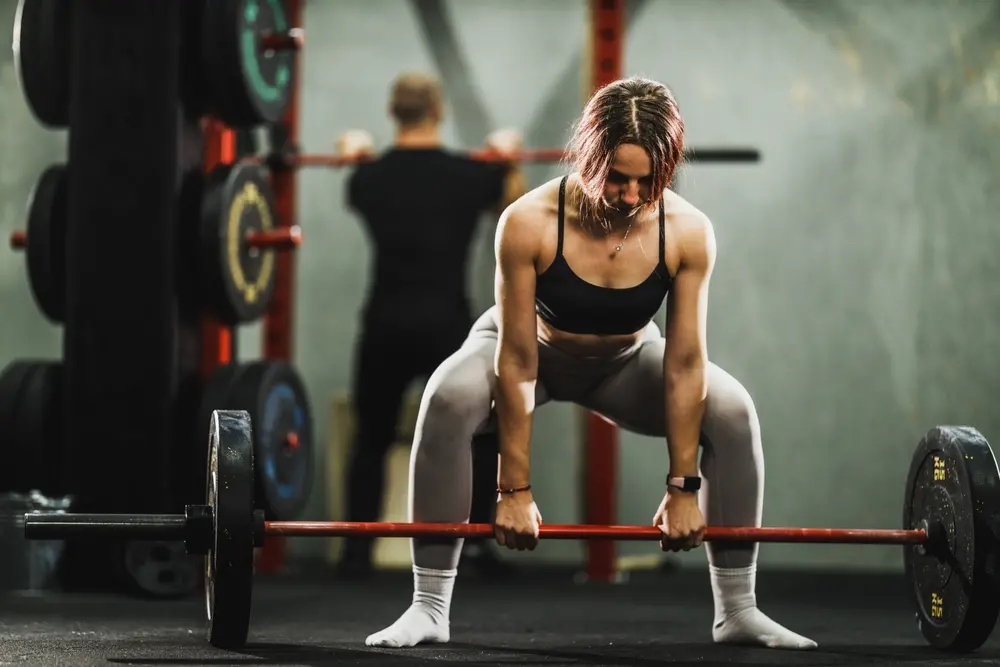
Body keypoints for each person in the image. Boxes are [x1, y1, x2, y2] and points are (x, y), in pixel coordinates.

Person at [363, 76, 818, 651]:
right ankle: (428, 607)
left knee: (732, 411)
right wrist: (513, 489)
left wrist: (683, 487)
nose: (630, 196)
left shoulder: (687, 232)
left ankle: (738, 610)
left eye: (647, 181)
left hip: (626, 361)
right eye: (616, 179)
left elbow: (683, 364)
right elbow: (519, 357)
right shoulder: (529, 221)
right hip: (534, 349)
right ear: (587, 158)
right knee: (448, 394)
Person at [336, 72, 527, 579]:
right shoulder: (469, 175)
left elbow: (357, 192)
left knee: (371, 438)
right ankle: (480, 544)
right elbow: (511, 206)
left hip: (385, 323)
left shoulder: (369, 177)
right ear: (438, 111)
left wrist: (360, 153)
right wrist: (504, 156)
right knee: (478, 435)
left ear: (392, 112)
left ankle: (357, 553)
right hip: (447, 326)